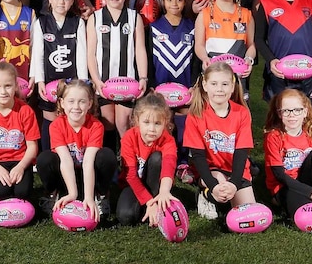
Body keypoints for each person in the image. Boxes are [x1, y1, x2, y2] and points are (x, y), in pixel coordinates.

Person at [184, 61, 256, 220]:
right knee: (219, 185)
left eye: (224, 84)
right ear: (204, 84)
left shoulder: (242, 113)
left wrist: (235, 183)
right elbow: (198, 157)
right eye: (214, 83)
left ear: (232, 86)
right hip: (210, 171)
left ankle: (223, 195)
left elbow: (241, 152)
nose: (219, 89)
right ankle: (205, 195)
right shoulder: (196, 114)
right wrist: (213, 185)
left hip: (236, 170)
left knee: (247, 216)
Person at [36, 79, 118, 220]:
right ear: (62, 103)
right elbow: (65, 160)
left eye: (82, 101)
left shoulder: (96, 126)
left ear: (90, 104)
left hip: (88, 172)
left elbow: (88, 161)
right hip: (66, 173)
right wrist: (73, 193)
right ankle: (54, 193)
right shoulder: (56, 126)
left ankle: (100, 194)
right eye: (71, 101)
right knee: (45, 159)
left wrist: (88, 197)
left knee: (107, 156)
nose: (76, 106)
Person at [87, 0, 148, 148]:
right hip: (103, 82)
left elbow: (140, 49)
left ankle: (129, 164)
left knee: (123, 123)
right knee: (108, 123)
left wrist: (143, 77)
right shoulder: (95, 18)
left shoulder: (134, 17)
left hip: (126, 81)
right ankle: (109, 165)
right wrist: (96, 80)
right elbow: (90, 53)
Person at [30, 0, 88, 152]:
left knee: (70, 118)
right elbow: (38, 53)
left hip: (71, 82)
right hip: (49, 81)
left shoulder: (77, 22)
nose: (61, 2)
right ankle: (49, 156)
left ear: (72, 1)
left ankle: (72, 155)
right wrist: (40, 81)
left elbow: (82, 54)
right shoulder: (41, 23)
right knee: (50, 119)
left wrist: (82, 82)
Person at [263, 89, 312, 223]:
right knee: (304, 216)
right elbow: (279, 174)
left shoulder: (311, 134)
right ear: (279, 113)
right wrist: (311, 193)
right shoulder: (273, 136)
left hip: (308, 182)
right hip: (285, 186)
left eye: (297, 110)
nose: (292, 115)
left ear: (305, 112)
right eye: (286, 111)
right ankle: (282, 201)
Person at [148, 0, 195, 181]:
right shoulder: (153, 27)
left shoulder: (192, 27)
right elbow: (148, 58)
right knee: (163, 120)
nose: (174, 4)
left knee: (184, 119)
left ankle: (183, 161)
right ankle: (164, 158)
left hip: (184, 84)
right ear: (163, 1)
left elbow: (196, 60)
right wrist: (150, 84)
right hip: (160, 84)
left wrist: (194, 84)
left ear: (185, 2)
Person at [0, 62, 40, 203]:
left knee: (23, 192)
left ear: (15, 86)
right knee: (0, 192)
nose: (3, 92)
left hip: (20, 160)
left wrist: (21, 167)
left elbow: (32, 146)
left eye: (8, 86)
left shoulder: (25, 110)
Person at [194, 0, 256, 100]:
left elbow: (251, 45)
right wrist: (205, 58)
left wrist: (249, 60)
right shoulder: (204, 15)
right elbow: (199, 45)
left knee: (238, 114)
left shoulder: (246, 15)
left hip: (238, 78)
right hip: (213, 76)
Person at [115, 93, 178, 226]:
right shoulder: (129, 138)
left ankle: (159, 201)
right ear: (137, 120)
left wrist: (164, 192)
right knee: (126, 217)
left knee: (157, 158)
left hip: (155, 184)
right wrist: (149, 202)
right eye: (146, 122)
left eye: (157, 123)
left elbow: (168, 167)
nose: (152, 129)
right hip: (132, 185)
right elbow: (130, 176)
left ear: (166, 122)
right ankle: (149, 207)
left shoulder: (168, 140)